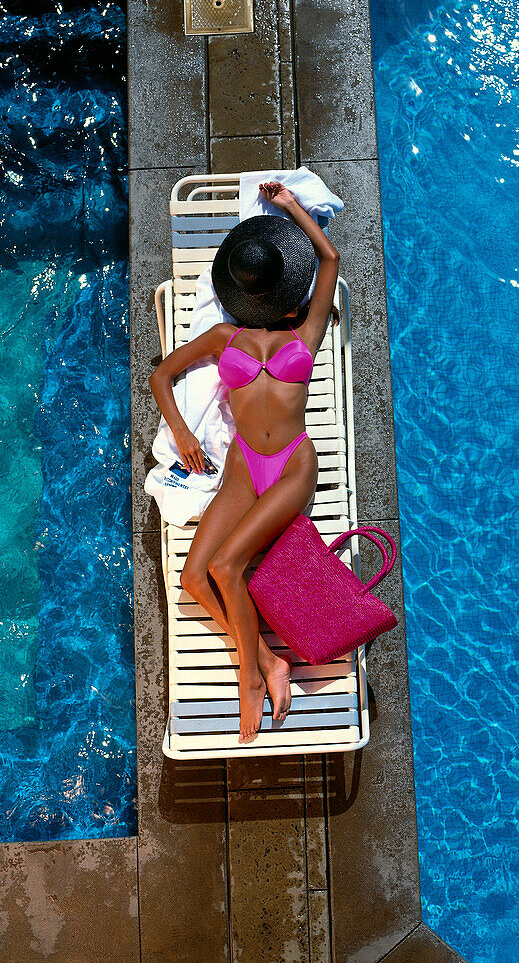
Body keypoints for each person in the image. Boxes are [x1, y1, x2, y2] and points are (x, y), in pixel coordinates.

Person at [149, 181, 340, 742]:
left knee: (227, 567)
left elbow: (329, 256)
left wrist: (290, 208)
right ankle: (268, 659)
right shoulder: (220, 336)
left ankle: (249, 680)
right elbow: (161, 375)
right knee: (192, 578)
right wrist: (182, 432)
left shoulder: (307, 331)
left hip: (290, 465)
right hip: (241, 463)